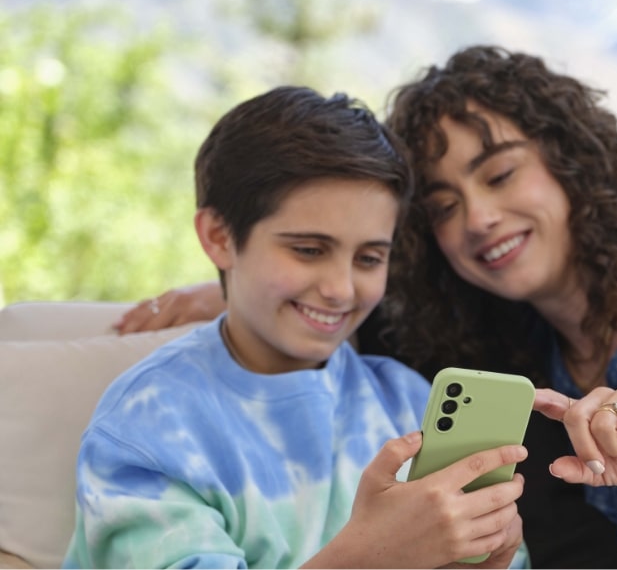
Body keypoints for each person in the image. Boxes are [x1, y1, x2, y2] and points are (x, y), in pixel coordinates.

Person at [114, 47, 617, 569]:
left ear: (570, 162)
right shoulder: (502, 333)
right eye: (445, 205)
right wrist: (226, 287)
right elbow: (346, 308)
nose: (478, 219)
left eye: (500, 173)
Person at [63, 85, 529, 569]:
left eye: (369, 258)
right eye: (308, 250)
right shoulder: (148, 429)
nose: (341, 289)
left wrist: (490, 558)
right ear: (220, 237)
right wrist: (370, 557)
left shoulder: (408, 401)